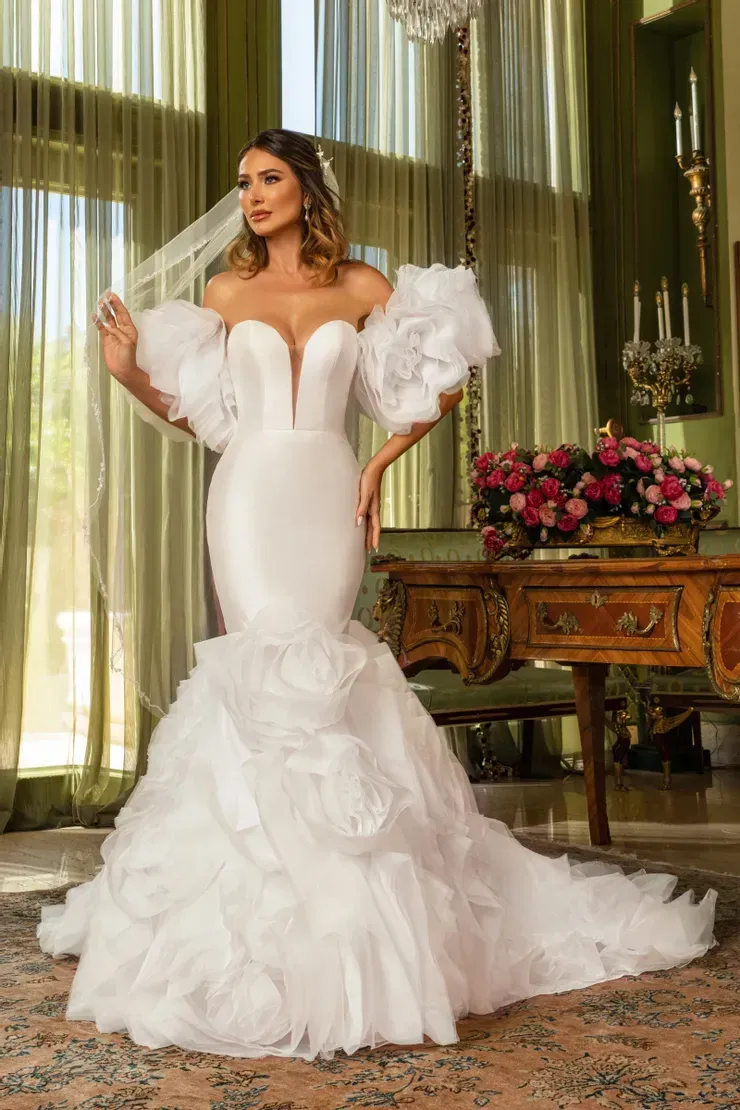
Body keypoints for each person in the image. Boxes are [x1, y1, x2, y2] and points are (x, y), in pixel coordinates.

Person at [37, 128, 716, 1061]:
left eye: (269, 179)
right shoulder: (225, 293)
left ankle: (355, 918)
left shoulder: (362, 286)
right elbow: (208, 420)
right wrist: (126, 376)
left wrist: (378, 465)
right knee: (260, 678)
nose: (252, 196)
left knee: (322, 675)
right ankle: (254, 920)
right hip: (246, 498)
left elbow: (441, 381)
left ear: (307, 188)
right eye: (243, 183)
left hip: (327, 493)